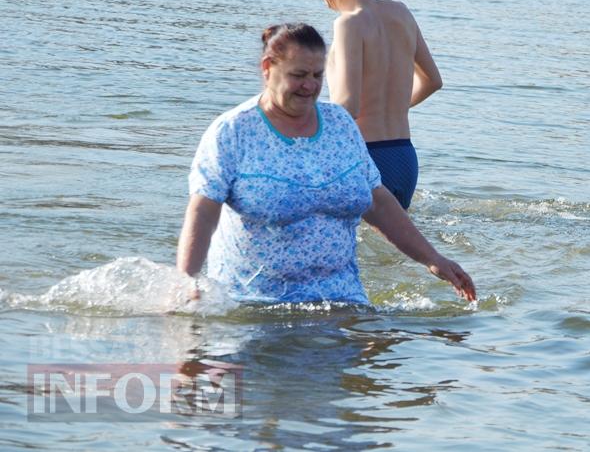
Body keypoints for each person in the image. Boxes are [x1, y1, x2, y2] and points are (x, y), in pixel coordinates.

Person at [175, 22, 475, 304]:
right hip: (253, 302)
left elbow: (378, 202)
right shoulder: (232, 132)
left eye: (317, 75)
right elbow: (203, 212)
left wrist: (433, 259)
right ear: (268, 68)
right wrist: (188, 281)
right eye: (299, 75)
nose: (309, 86)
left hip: (341, 298)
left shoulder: (340, 125)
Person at [307, 0, 441, 210]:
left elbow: (348, 107)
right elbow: (432, 80)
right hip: (405, 159)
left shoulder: (348, 25)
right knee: (395, 249)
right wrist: (391, 109)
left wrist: (299, 132)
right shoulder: (401, 13)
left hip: (367, 159)